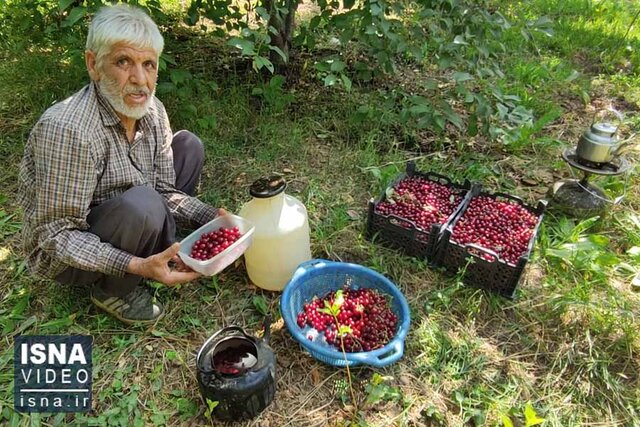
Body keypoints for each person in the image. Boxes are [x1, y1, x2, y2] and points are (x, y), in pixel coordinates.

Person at [18, 4, 222, 325]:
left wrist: (216, 218)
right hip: (72, 250)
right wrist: (135, 266)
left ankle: (158, 241)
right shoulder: (69, 130)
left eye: (149, 64)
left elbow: (165, 190)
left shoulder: (152, 110)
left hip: (136, 207)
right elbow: (56, 235)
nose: (140, 79)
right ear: (93, 64)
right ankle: (114, 289)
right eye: (124, 62)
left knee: (188, 146)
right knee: (144, 203)